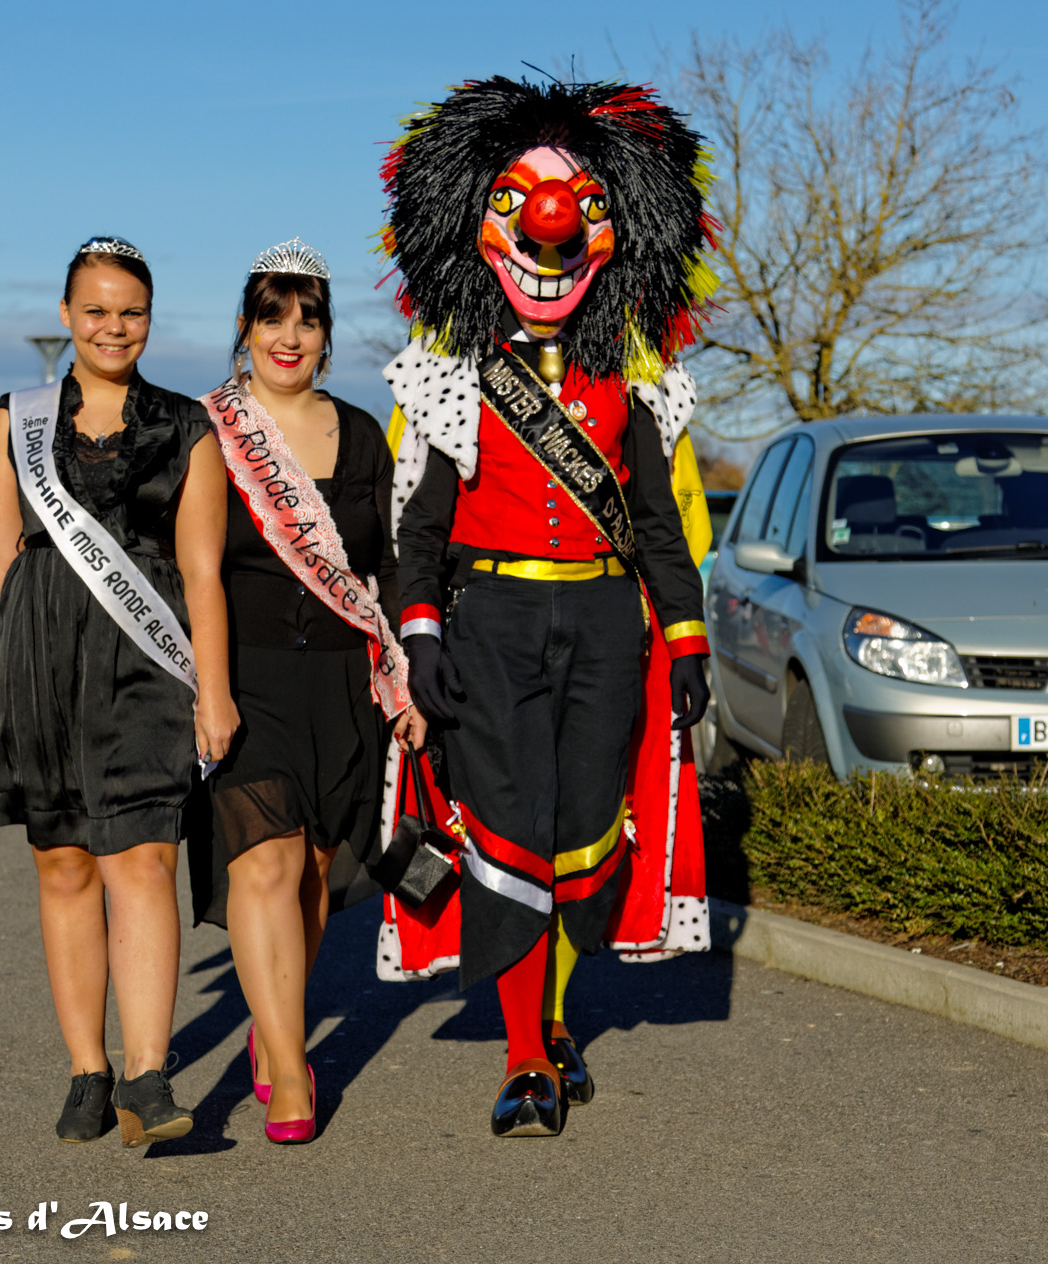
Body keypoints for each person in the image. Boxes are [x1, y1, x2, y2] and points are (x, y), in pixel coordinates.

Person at [379, 77, 719, 1137]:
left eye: (578, 203)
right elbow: (419, 532)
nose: (552, 226)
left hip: (608, 630)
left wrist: (687, 633)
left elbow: (659, 526)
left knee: (586, 834)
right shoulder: (451, 375)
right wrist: (421, 634)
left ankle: (556, 1021)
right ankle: (525, 1052)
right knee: (508, 833)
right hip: (492, 627)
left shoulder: (636, 378)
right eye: (520, 198)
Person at [0, 236, 237, 1147]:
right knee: (62, 863)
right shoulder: (13, 420)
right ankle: (86, 1071)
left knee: (141, 857)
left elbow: (203, 573)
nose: (114, 326)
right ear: (66, 317)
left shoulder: (188, 428)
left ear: (151, 319)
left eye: (131, 311)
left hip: (145, 663)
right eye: (96, 310)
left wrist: (213, 693)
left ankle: (148, 1074)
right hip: (35, 654)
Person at [191, 238, 423, 1144]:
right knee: (266, 864)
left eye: (308, 317)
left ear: (326, 334)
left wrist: (408, 674)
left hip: (343, 680)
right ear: (244, 328)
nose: (290, 335)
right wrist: (207, 688)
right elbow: (192, 569)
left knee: (319, 869)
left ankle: (272, 1017)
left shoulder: (363, 433)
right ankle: (289, 1067)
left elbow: (392, 563)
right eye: (272, 315)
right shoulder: (209, 430)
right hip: (247, 677)